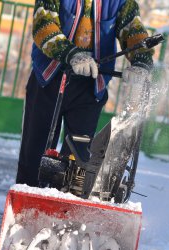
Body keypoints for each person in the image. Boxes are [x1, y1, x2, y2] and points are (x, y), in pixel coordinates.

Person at [16, 0, 154, 187]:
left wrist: (140, 62)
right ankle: (26, 203)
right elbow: (44, 26)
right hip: (49, 78)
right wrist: (71, 54)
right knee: (36, 151)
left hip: (91, 85)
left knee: (77, 158)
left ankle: (65, 202)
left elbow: (133, 31)